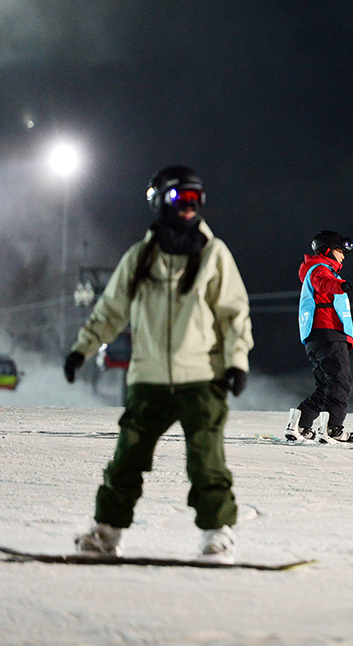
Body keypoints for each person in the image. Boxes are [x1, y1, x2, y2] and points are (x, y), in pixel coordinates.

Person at [64, 165, 253, 564]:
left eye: (195, 199)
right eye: (178, 198)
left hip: (201, 377)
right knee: (127, 459)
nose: (188, 207)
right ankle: (107, 533)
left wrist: (236, 362)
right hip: (148, 378)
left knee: (206, 460)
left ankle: (218, 535)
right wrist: (83, 349)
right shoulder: (140, 258)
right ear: (158, 201)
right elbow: (110, 310)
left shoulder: (213, 255)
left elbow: (234, 314)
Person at [285, 230, 353, 443]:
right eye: (340, 251)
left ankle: (299, 424)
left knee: (326, 386)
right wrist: (342, 285)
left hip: (316, 337)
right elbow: (324, 283)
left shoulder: (316, 269)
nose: (343, 256)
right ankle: (333, 429)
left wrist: (340, 283)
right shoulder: (320, 269)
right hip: (328, 333)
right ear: (328, 250)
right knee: (340, 381)